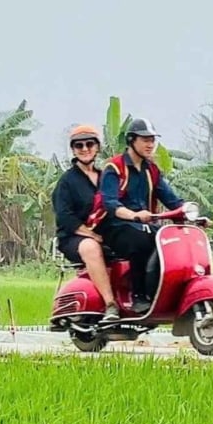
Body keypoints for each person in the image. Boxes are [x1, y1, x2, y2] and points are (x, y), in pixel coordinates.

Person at [88, 118, 187, 304]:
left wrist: (190, 213)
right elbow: (110, 203)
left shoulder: (151, 170)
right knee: (140, 241)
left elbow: (172, 199)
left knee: (170, 239)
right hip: (113, 226)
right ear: (131, 141)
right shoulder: (114, 167)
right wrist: (133, 215)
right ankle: (139, 296)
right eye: (145, 140)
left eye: (152, 140)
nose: (150, 145)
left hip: (141, 225)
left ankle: (162, 291)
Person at [53, 125, 119, 320]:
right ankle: (111, 304)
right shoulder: (67, 182)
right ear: (73, 150)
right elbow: (64, 216)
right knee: (91, 247)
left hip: (105, 234)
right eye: (79, 145)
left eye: (89, 144)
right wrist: (90, 234)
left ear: (97, 147)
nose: (85, 149)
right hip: (74, 237)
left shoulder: (106, 177)